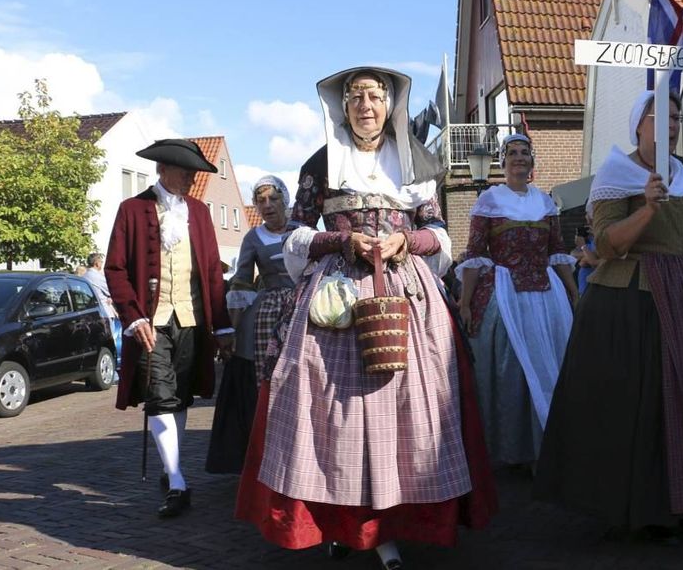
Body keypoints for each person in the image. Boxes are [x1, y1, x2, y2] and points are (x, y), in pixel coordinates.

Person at [235, 67, 496, 570]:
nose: (366, 106)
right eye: (356, 97)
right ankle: (341, 521)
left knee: (414, 410)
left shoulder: (416, 162)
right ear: (342, 106)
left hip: (406, 293)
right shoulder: (320, 164)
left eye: (376, 97)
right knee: (332, 414)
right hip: (335, 299)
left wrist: (405, 241)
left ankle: (393, 523)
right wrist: (341, 240)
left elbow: (439, 234)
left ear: (390, 105)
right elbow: (295, 236)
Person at [535, 90, 683, 545]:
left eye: (676, 116)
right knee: (639, 407)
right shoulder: (617, 172)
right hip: (632, 302)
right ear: (639, 124)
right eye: (661, 116)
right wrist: (648, 207)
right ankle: (638, 507)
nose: (672, 123)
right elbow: (607, 246)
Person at [104, 138, 234, 518]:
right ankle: (178, 481)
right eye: (185, 172)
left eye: (194, 172)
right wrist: (135, 317)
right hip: (152, 322)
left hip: (192, 320)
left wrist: (222, 327)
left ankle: (169, 465)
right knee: (159, 395)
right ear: (163, 169)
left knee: (181, 395)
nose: (192, 179)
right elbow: (115, 269)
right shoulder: (132, 209)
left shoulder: (200, 212)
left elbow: (211, 273)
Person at [455, 132, 577, 467]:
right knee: (514, 369)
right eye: (513, 153)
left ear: (532, 162)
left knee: (551, 362)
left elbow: (557, 251)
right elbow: (476, 254)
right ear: (503, 161)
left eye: (525, 153)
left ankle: (549, 448)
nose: (520, 158)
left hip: (547, 295)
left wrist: (573, 292)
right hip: (505, 292)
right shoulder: (490, 200)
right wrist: (465, 303)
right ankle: (516, 450)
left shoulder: (545, 202)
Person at [205, 176, 295, 474]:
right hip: (267, 308)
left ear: (285, 200)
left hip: (305, 302)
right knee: (262, 376)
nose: (267, 206)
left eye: (273, 199)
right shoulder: (253, 239)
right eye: (261, 201)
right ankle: (265, 446)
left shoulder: (303, 232)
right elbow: (242, 279)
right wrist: (231, 328)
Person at [84, 252, 122, 379]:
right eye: (101, 262)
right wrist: (111, 297)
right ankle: (113, 374)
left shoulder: (84, 276)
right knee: (109, 343)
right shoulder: (96, 276)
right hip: (104, 312)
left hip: (90, 313)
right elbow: (111, 288)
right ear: (97, 263)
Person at [571, 219, 601, 296]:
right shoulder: (589, 240)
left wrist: (583, 247)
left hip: (594, 291)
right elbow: (573, 254)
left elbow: (593, 262)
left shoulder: (600, 241)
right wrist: (587, 254)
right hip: (583, 290)